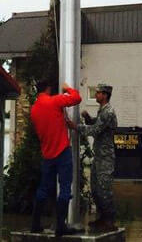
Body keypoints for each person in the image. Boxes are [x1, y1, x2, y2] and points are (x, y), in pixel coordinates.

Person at [29, 76, 83, 236]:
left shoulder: (34, 109)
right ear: (48, 89)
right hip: (62, 151)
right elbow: (77, 98)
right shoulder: (54, 101)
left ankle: (35, 224)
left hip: (47, 154)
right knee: (65, 188)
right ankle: (61, 226)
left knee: (43, 189)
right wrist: (68, 89)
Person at [80, 83, 117, 228]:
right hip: (99, 156)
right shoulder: (102, 110)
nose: (96, 95)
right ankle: (102, 218)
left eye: (98, 93)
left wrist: (75, 127)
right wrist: (88, 118)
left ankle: (109, 221)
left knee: (104, 189)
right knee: (95, 189)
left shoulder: (108, 112)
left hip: (106, 158)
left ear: (105, 95)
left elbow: (95, 130)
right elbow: (96, 123)